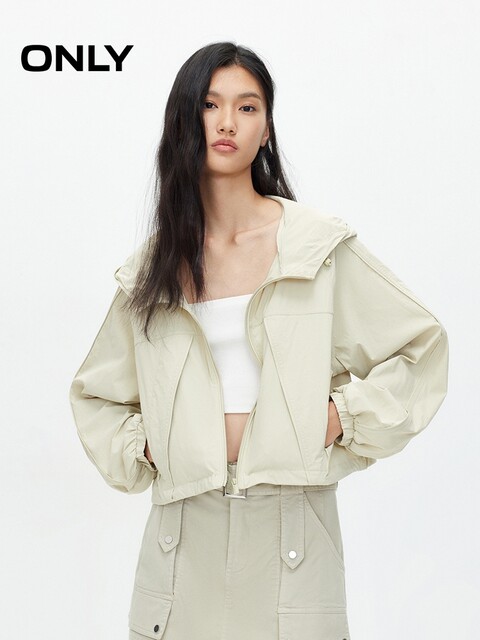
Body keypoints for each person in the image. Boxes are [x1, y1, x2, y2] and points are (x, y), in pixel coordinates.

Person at [69, 41, 449, 640]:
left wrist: (336, 419)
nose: (227, 122)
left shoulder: (316, 248)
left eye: (247, 107)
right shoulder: (153, 267)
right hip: (180, 542)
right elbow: (96, 396)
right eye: (211, 104)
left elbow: (421, 349)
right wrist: (154, 446)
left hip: (292, 533)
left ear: (266, 129)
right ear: (185, 119)